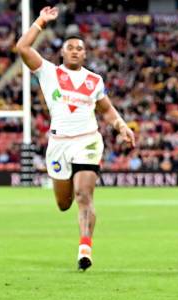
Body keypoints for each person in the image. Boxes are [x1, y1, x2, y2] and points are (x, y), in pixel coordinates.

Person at [16, 7, 135, 271]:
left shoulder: (94, 80)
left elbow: (105, 108)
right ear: (62, 52)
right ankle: (81, 233)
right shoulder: (49, 72)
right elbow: (22, 48)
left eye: (79, 48)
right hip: (59, 144)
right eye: (70, 47)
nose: (75, 51)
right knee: (63, 203)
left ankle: (85, 249)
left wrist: (120, 125)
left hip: (87, 141)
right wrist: (41, 22)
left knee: (84, 195)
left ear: (85, 53)